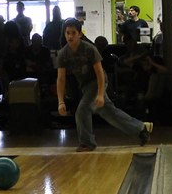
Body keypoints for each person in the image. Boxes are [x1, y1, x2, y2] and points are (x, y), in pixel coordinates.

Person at [56, 18, 152, 152]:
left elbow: (100, 73)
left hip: (98, 82)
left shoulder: (89, 49)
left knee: (82, 110)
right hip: (85, 86)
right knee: (108, 112)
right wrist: (61, 102)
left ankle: (87, 143)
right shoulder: (63, 54)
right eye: (67, 33)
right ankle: (141, 129)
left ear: (80, 34)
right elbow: (60, 79)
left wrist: (100, 94)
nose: (70, 36)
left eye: (73, 33)